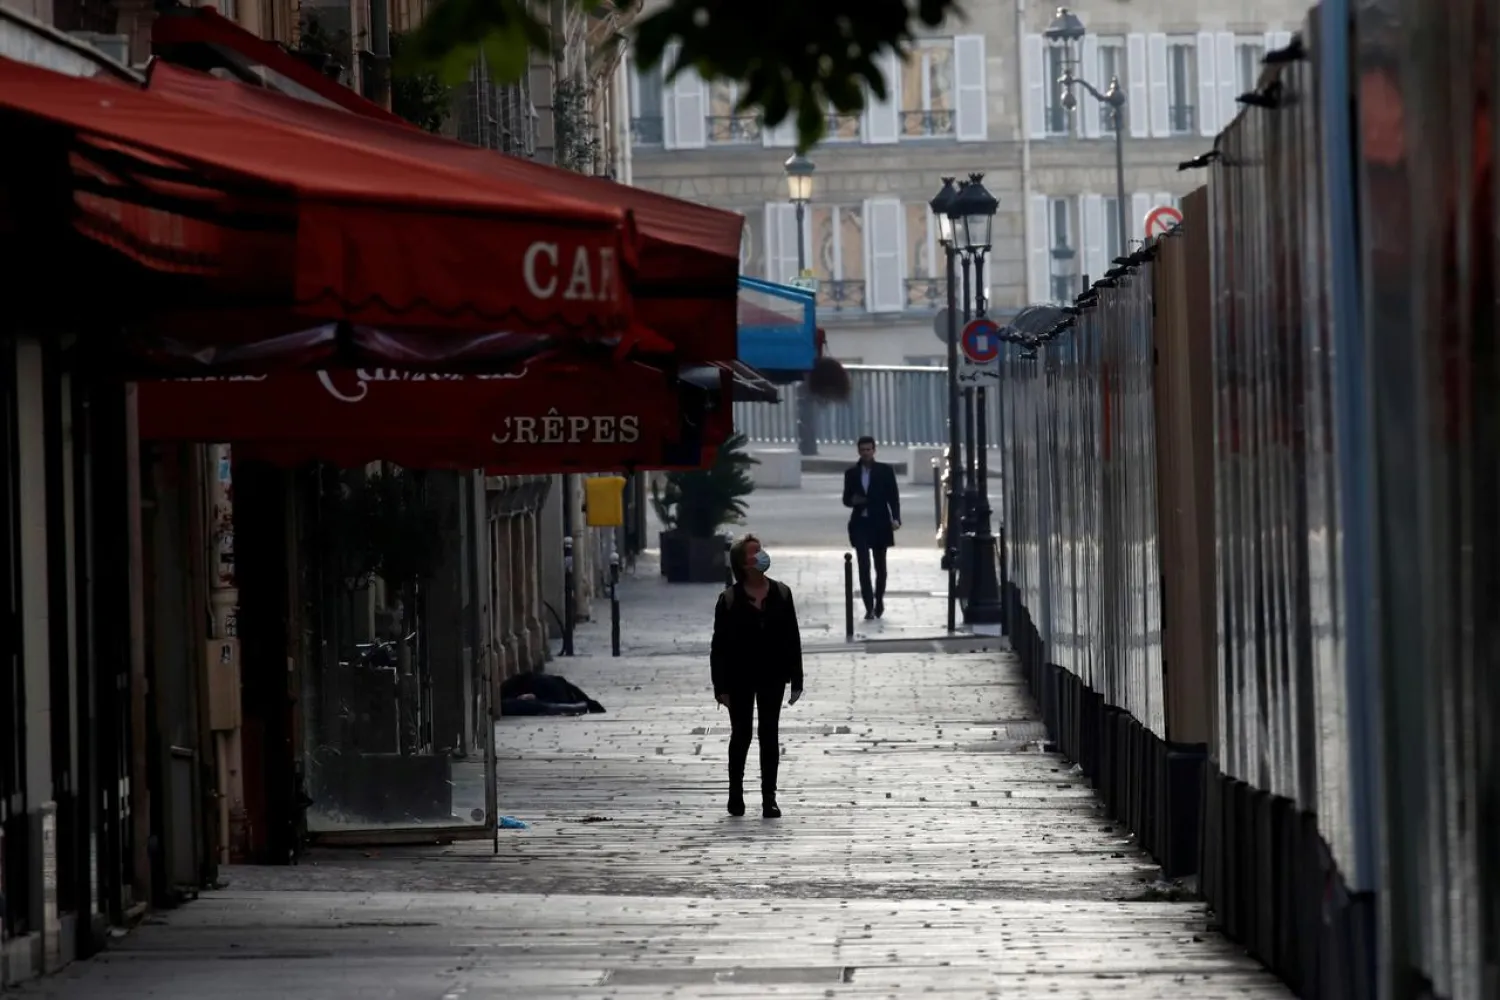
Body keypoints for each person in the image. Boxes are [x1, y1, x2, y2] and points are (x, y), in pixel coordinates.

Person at [710, 534, 803, 819]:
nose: (761, 555)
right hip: (740, 676)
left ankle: (769, 799)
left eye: (761, 550)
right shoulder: (729, 600)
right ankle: (735, 795)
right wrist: (720, 687)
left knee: (769, 734)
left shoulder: (782, 594)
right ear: (743, 563)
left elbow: (792, 638)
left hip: (772, 674)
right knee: (742, 735)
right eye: (755, 553)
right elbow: (719, 647)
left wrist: (796, 680)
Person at [842, 435, 901, 619]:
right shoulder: (851, 473)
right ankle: (868, 606)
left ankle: (879, 600)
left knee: (880, 567)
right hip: (860, 523)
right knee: (863, 565)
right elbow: (846, 499)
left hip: (880, 523)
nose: (866, 453)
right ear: (859, 451)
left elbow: (893, 496)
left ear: (874, 450)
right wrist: (853, 500)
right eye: (863, 450)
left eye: (869, 449)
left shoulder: (885, 471)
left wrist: (896, 518)